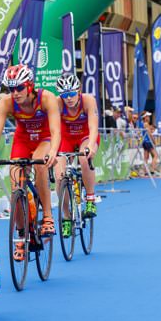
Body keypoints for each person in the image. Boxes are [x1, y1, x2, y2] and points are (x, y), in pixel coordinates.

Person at [0, 64, 60, 261]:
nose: (15, 93)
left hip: (44, 138)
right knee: (15, 187)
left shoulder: (47, 98)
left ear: (30, 86)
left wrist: (53, 151)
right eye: (11, 89)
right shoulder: (7, 102)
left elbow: (55, 131)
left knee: (39, 163)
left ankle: (47, 216)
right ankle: (21, 235)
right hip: (22, 139)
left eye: (19, 88)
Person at [53, 73, 100, 233]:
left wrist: (91, 146)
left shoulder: (88, 100)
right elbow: (53, 130)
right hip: (66, 137)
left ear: (78, 91)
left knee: (84, 158)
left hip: (85, 136)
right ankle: (66, 216)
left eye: (72, 94)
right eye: (65, 95)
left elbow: (93, 127)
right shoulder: (57, 103)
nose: (69, 98)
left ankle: (91, 198)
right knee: (59, 177)